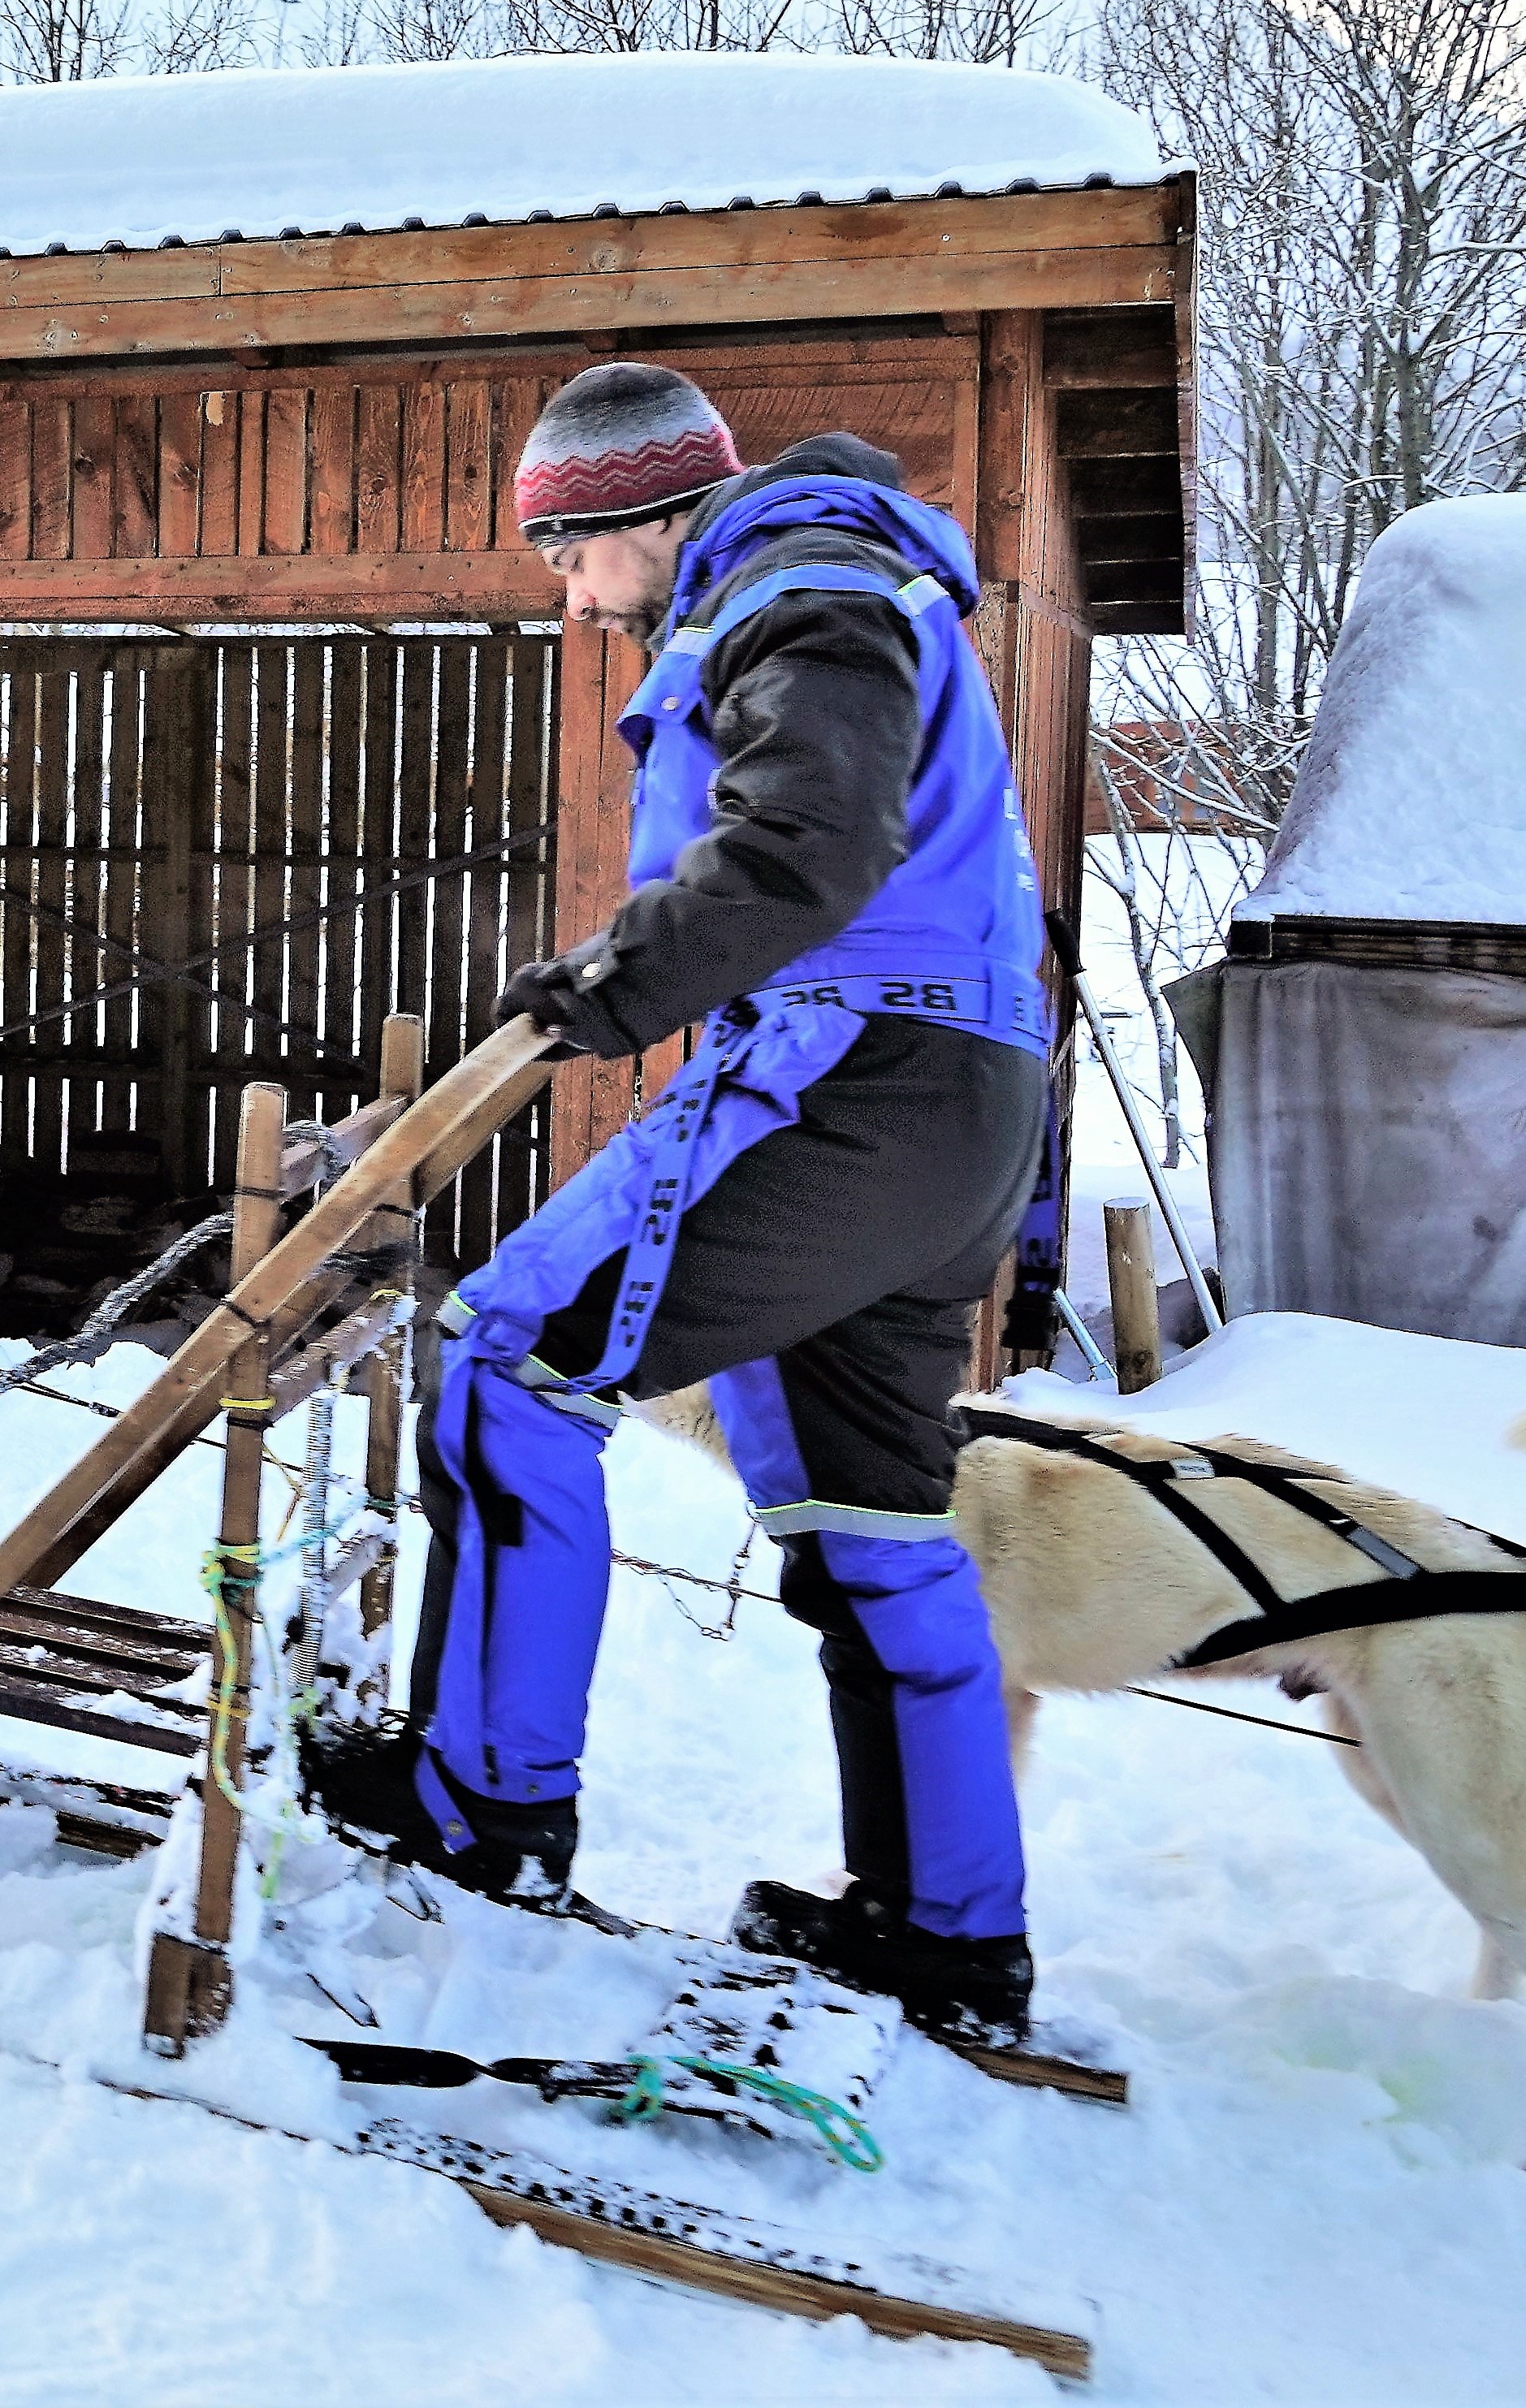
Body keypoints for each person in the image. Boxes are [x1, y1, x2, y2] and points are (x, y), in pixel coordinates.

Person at [305, 361, 1054, 2040]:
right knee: (868, 1515)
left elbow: (807, 850)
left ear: (641, 518)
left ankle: (481, 1804)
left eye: (568, 560)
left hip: (849, 1067)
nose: (572, 603)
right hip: (964, 1099)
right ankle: (946, 1931)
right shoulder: (856, 582)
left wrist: (608, 985)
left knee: (504, 1361)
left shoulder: (804, 601)